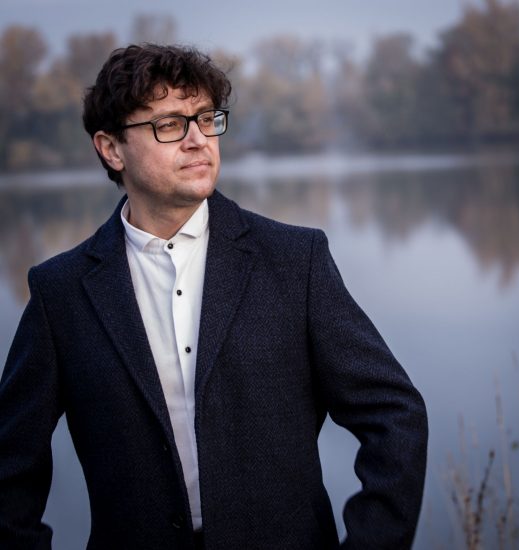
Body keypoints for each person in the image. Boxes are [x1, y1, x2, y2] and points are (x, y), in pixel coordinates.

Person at [0, 44, 428, 550]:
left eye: (206, 118)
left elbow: (394, 415)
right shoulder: (61, 292)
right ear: (111, 148)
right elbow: (10, 466)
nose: (198, 140)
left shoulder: (295, 261)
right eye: (169, 124)